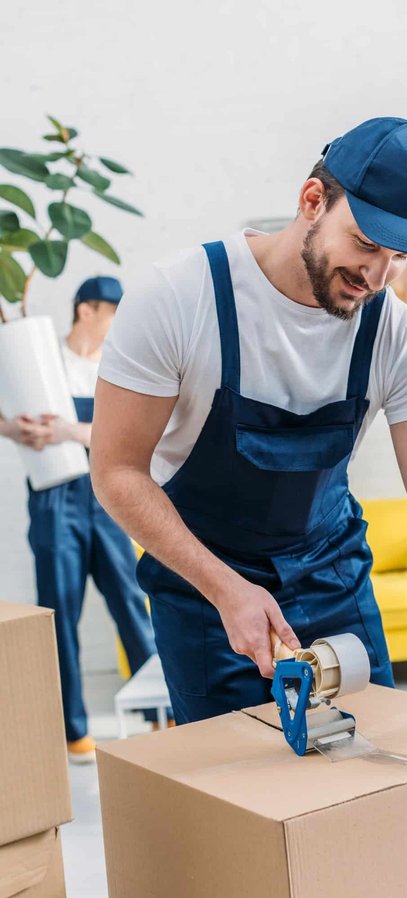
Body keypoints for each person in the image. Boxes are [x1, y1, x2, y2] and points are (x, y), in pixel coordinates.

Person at [91, 117, 407, 799]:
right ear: (312, 200)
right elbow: (117, 472)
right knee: (244, 808)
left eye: (399, 257)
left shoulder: (397, 340)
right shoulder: (177, 298)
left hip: (331, 579)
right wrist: (227, 589)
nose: (376, 274)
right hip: (204, 590)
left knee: (375, 794)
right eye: (366, 243)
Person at [0, 277, 157, 763]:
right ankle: (74, 731)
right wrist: (15, 430)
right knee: (60, 612)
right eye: (112, 312)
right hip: (53, 501)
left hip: (107, 495)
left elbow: (126, 436)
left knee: (132, 604)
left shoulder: (117, 366)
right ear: (86, 310)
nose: (118, 323)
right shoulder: (41, 360)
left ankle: (158, 713)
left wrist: (68, 430)